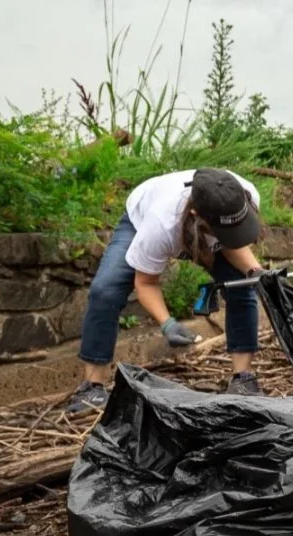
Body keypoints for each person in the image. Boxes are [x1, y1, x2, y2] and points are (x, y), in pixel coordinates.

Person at [66, 167, 270, 414]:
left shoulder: (243, 195)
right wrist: (167, 324)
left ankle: (243, 379)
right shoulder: (160, 224)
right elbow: (146, 283)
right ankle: (93, 386)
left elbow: (231, 242)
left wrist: (257, 273)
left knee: (242, 286)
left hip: (203, 219)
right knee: (106, 290)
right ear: (197, 216)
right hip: (142, 214)